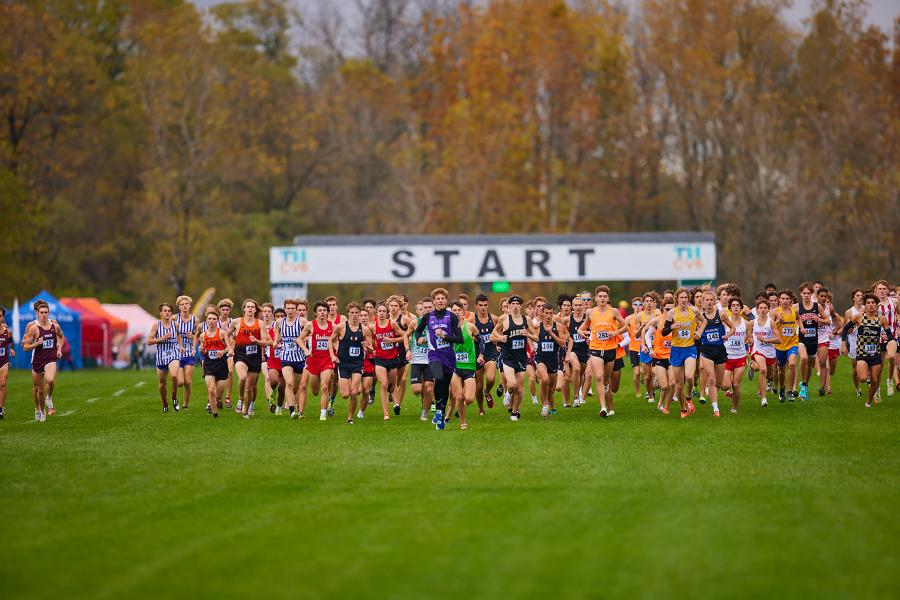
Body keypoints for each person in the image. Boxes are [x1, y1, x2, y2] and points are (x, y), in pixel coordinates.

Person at [413, 287, 465, 430]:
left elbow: (460, 339)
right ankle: (438, 410)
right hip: (434, 354)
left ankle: (440, 415)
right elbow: (417, 331)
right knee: (439, 378)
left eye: (443, 299)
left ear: (446, 301)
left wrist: (445, 336)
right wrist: (419, 339)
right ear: (434, 301)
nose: (440, 301)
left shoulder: (452, 317)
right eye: (438, 299)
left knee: (445, 386)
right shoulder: (428, 317)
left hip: (449, 356)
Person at [578, 285, 627, 417]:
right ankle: (603, 407)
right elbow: (581, 328)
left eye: (605, 296)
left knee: (606, 381)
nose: (602, 298)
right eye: (600, 296)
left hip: (610, 349)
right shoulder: (590, 312)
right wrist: (582, 333)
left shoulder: (614, 312)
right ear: (596, 298)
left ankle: (610, 406)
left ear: (608, 298)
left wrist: (615, 333)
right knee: (598, 377)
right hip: (595, 348)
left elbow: (626, 327)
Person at [657, 288, 703, 418]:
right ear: (677, 299)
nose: (684, 300)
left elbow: (704, 321)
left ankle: (688, 397)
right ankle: (683, 409)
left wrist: (699, 332)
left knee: (689, 376)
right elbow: (664, 332)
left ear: (689, 299)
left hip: (690, 348)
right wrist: (672, 327)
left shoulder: (693, 311)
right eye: (681, 298)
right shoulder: (671, 313)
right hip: (676, 350)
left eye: (686, 297)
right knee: (678, 385)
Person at [842, 293, 893, 408]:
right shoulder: (858, 317)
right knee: (864, 378)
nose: (870, 305)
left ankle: (868, 403)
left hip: (875, 355)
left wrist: (887, 338)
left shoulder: (882, 319)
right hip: (862, 354)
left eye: (873, 303)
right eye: (868, 303)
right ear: (865, 305)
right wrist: (844, 344)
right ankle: (866, 373)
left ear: (876, 305)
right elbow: (845, 329)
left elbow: (890, 336)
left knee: (875, 381)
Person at [228, 299, 272, 419]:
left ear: (255, 309)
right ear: (244, 309)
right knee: (242, 377)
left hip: (255, 357)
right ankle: (241, 399)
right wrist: (229, 347)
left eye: (253, 307)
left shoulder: (260, 324)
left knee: (250, 388)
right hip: (240, 355)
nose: (250, 309)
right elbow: (225, 334)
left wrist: (257, 341)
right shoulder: (237, 322)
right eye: (248, 307)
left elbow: (266, 342)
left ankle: (245, 412)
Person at [697, 289, 735, 417]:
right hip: (706, 350)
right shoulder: (700, 317)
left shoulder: (721, 314)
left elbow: (733, 327)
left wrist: (727, 335)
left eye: (711, 300)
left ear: (715, 301)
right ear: (702, 302)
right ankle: (716, 409)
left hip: (720, 350)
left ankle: (714, 391)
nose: (709, 302)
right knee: (711, 378)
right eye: (706, 300)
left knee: (721, 384)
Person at [298, 301, 338, 421]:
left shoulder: (333, 326)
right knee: (314, 391)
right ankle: (301, 411)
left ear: (327, 313)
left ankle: (323, 413)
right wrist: (305, 349)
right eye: (320, 310)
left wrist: (336, 349)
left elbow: (336, 341)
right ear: (315, 313)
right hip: (313, 361)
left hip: (327, 360)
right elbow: (299, 339)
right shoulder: (310, 325)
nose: (322, 313)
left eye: (324, 310)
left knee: (325, 387)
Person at [448, 301, 483, 429]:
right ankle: (463, 422)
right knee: (459, 396)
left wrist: (480, 355)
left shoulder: (470, 327)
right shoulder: (448, 328)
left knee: (469, 399)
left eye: (458, 310)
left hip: (469, 367)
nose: (456, 312)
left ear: (463, 312)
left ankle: (458, 406)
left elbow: (481, 340)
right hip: (455, 367)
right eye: (454, 310)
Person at [370, 302, 406, 420]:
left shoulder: (392, 324)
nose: (381, 313)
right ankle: (386, 413)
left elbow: (405, 336)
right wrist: (370, 346)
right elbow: (370, 341)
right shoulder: (373, 327)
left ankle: (392, 395)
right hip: (380, 359)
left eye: (384, 311)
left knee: (391, 386)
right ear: (376, 313)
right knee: (384, 384)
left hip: (392, 359)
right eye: (379, 311)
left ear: (387, 313)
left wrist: (392, 340)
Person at [147, 302, 182, 413]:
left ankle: (174, 398)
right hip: (161, 356)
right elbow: (149, 341)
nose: (167, 313)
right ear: (161, 313)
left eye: (169, 311)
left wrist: (180, 346)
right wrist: (162, 338)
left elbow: (178, 335)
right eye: (165, 311)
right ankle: (165, 403)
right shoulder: (156, 325)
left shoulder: (175, 324)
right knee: (162, 384)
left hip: (174, 353)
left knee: (174, 375)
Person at [198, 310, 233, 418]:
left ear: (217, 320)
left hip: (221, 365)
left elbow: (230, 348)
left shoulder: (222, 333)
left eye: (214, 319)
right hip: (209, 364)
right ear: (206, 320)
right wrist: (201, 350)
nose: (212, 321)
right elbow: (203, 350)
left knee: (218, 395)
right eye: (209, 319)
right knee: (211, 389)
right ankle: (215, 414)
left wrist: (223, 351)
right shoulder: (203, 335)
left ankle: (218, 401)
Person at [796, 283, 828, 401]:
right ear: (801, 294)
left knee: (810, 365)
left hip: (813, 340)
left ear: (812, 294)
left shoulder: (817, 306)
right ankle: (803, 386)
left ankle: (804, 384)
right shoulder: (796, 307)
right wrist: (800, 326)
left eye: (808, 293)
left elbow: (827, 321)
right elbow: (793, 318)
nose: (806, 295)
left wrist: (818, 319)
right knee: (803, 358)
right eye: (804, 293)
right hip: (801, 339)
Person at [275, 298, 306, 418]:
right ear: (284, 309)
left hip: (299, 358)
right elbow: (278, 334)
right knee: (289, 382)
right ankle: (293, 411)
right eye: (288, 308)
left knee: (295, 388)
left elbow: (310, 332)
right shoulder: (279, 322)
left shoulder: (302, 321)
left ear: (296, 310)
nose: (290, 310)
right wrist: (275, 341)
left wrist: (304, 341)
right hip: (286, 357)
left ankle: (290, 403)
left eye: (293, 308)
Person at [535, 303, 568, 418]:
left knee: (551, 388)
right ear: (542, 313)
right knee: (544, 379)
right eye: (546, 313)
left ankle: (548, 403)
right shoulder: (537, 326)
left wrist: (552, 334)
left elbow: (563, 344)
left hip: (553, 360)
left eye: (551, 313)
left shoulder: (558, 326)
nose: (548, 316)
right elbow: (532, 338)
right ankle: (545, 405)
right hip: (540, 358)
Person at [722, 297, 750, 414]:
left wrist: (749, 339)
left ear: (741, 308)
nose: (735, 307)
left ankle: (734, 408)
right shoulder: (725, 321)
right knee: (725, 386)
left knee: (736, 384)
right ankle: (730, 393)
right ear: (730, 308)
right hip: (727, 356)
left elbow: (749, 335)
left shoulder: (746, 323)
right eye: (733, 305)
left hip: (740, 357)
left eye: (738, 305)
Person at [751, 298, 780, 407]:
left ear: (768, 310)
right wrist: (749, 340)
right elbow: (748, 335)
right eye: (761, 308)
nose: (763, 310)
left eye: (765, 308)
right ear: (757, 310)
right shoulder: (752, 322)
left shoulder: (771, 322)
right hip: (758, 350)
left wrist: (766, 340)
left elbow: (779, 339)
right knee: (763, 370)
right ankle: (763, 398)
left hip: (770, 352)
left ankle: (753, 366)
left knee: (769, 374)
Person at [409, 298, 435, 421]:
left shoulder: (437, 323)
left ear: (433, 308)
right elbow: (405, 336)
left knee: (429, 387)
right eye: (425, 307)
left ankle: (425, 412)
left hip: (431, 359)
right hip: (417, 360)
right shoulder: (415, 322)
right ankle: (426, 401)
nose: (427, 309)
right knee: (417, 389)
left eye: (430, 307)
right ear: (421, 309)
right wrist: (408, 350)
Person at [473, 294, 499, 414]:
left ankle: (487, 391)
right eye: (480, 305)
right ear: (476, 306)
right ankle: (480, 408)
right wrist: (473, 338)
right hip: (477, 355)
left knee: (490, 378)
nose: (483, 308)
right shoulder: (472, 320)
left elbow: (502, 330)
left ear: (488, 305)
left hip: (490, 353)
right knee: (478, 385)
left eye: (485, 305)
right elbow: (465, 334)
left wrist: (498, 342)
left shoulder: (493, 319)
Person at [772, 289, 800, 402]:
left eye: (787, 299)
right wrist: (778, 321)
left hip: (792, 343)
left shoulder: (794, 311)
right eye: (783, 298)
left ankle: (790, 391)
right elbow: (770, 327)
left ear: (791, 300)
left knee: (792, 364)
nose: (785, 301)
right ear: (779, 299)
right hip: (779, 345)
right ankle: (782, 388)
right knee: (781, 371)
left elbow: (799, 318)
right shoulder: (774, 312)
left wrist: (801, 327)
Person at [565, 294, 590, 407]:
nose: (578, 307)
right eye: (576, 305)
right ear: (572, 307)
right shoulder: (567, 320)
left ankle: (578, 393)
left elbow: (594, 331)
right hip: (573, 350)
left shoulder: (588, 319)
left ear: (583, 306)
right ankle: (576, 398)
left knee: (581, 374)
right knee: (576, 368)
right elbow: (561, 331)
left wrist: (589, 336)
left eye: (580, 305)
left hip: (585, 351)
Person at [173, 295, 197, 410]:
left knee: (187, 381)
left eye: (186, 304)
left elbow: (200, 336)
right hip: (177, 352)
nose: (184, 306)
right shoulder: (174, 319)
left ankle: (185, 404)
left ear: (190, 305)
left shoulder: (195, 320)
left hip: (189, 352)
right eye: (182, 304)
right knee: (180, 382)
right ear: (179, 307)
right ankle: (174, 398)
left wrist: (193, 337)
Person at [842, 289, 864, 397]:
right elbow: (847, 330)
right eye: (858, 295)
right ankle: (858, 388)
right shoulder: (849, 312)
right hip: (854, 341)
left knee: (870, 363)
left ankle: (869, 380)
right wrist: (855, 324)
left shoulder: (867, 308)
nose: (860, 297)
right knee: (855, 369)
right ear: (853, 298)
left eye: (861, 295)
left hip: (866, 341)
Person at [217, 298, 236, 408]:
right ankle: (216, 397)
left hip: (230, 349)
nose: (225, 311)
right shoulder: (214, 320)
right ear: (219, 310)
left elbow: (235, 337)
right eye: (223, 309)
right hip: (217, 350)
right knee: (217, 375)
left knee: (229, 371)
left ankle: (228, 397)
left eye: (227, 309)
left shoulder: (233, 322)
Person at [626, 297, 643, 398]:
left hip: (644, 347)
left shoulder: (646, 317)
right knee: (637, 373)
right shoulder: (628, 319)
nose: (638, 307)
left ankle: (649, 390)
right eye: (635, 305)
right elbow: (625, 332)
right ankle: (638, 392)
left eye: (640, 305)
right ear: (632, 306)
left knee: (647, 371)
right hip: (633, 348)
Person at [0, 307, 14, 419]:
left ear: (3, 317)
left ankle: (0, 408)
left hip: (4, 362)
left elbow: (10, 341)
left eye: (0, 315)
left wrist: (12, 349)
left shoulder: (7, 331)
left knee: (3, 383)